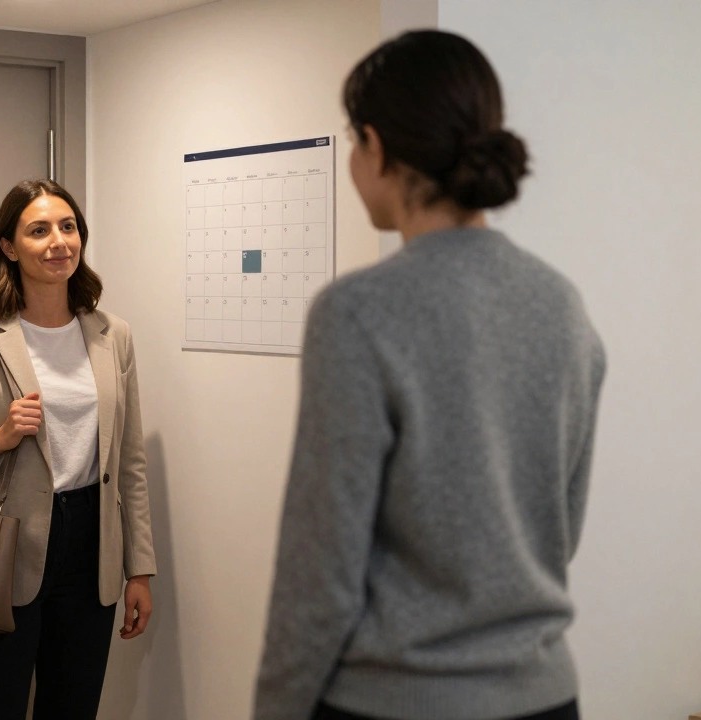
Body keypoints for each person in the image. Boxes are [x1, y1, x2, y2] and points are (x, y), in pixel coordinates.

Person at [254, 30, 605, 720]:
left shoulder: (356, 313)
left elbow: (319, 571)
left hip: (394, 703)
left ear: (376, 148)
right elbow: (559, 523)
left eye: (354, 143)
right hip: (546, 699)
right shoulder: (560, 303)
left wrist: (276, 710)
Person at [0, 179, 157, 720]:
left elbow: (130, 465)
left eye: (68, 227)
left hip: (91, 547)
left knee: (72, 708)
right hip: (2, 547)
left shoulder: (111, 334)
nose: (58, 242)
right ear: (9, 246)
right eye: (39, 230)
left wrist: (138, 569)